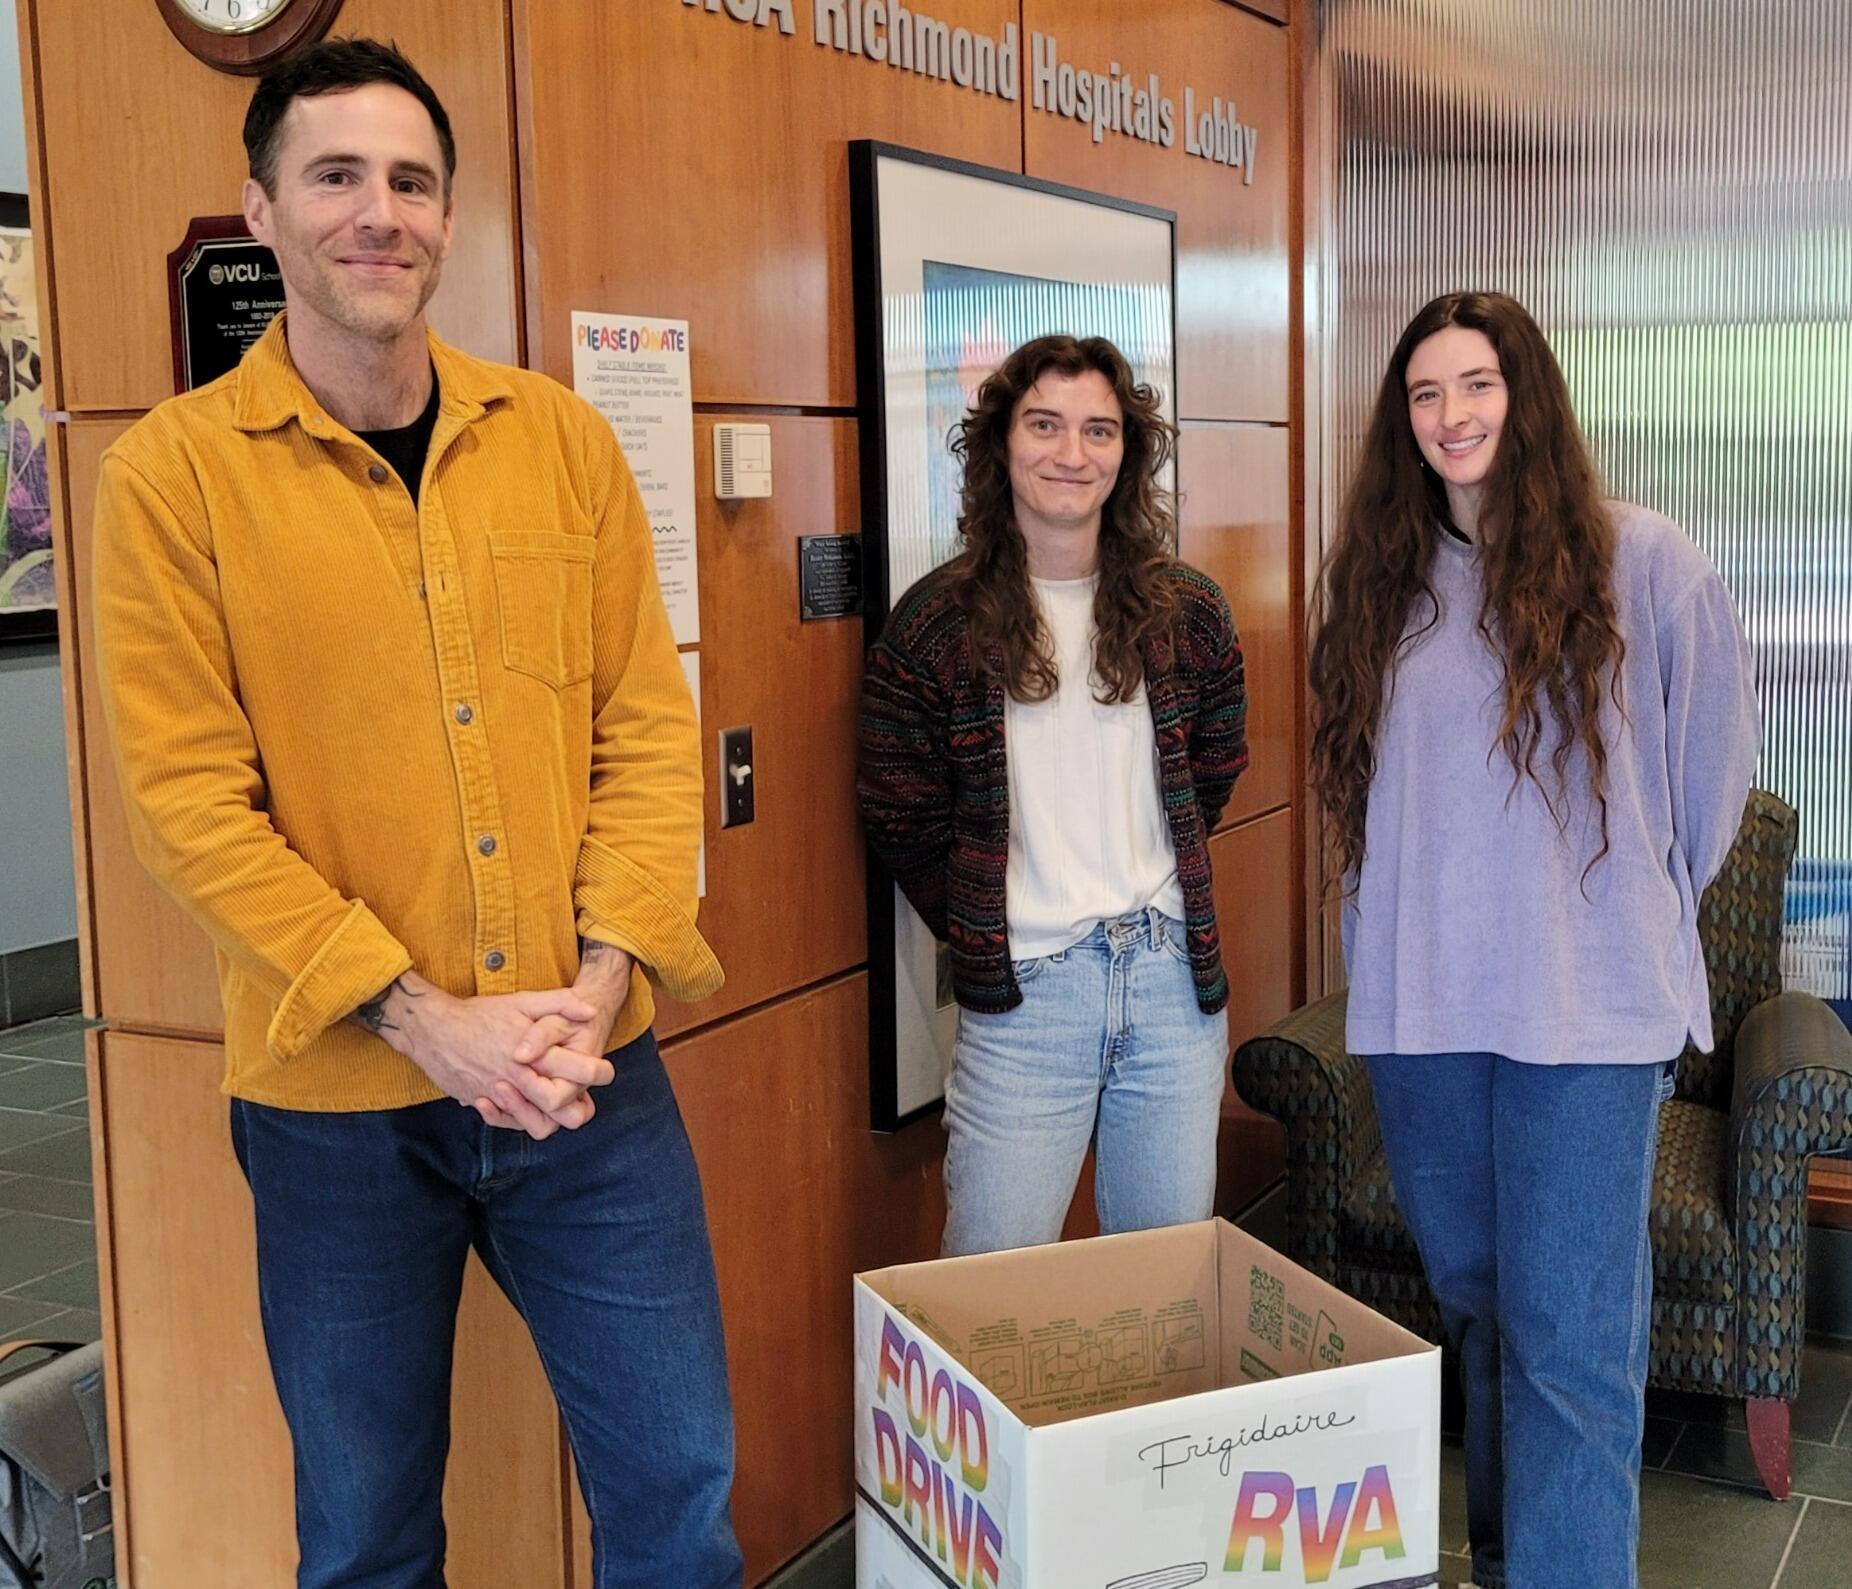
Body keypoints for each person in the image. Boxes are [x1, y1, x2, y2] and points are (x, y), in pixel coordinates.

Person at [90, 39, 741, 1589]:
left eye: (410, 181)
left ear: (448, 218)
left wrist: (594, 988)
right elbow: (192, 808)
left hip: (593, 1080)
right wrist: (425, 1018)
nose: (376, 212)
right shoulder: (172, 482)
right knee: (368, 1533)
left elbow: (645, 734)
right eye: (335, 176)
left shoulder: (564, 443)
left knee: (679, 1493)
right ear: (261, 209)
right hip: (334, 1112)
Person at [1309, 291, 1758, 1589]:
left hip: (1587, 1020)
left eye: (1477, 384)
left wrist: (1620, 921)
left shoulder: (1646, 563)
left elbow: (1710, 781)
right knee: (1488, 1317)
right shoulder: (1382, 585)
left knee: (1571, 1349)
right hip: (1426, 1021)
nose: (1451, 415)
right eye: (1425, 393)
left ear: (1530, 396)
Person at [858, 333, 1249, 1258]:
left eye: (1099, 430)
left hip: (1170, 987)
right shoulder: (931, 625)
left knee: (1162, 1293)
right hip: (1027, 996)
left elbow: (1217, 769)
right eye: (1045, 425)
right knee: (989, 1301)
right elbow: (898, 813)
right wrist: (991, 928)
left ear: (1129, 451)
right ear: (1000, 444)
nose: (1072, 454)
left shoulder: (1189, 611)